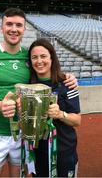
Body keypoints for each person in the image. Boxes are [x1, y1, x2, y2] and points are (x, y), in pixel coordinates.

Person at [0, 7, 78, 177]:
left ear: (24, 29)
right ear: (2, 27)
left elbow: (47, 72)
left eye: (19, 25)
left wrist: (69, 77)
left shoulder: (30, 57)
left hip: (23, 135)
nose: (14, 29)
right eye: (9, 24)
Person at [28, 38, 81, 177]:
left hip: (64, 152)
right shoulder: (27, 86)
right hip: (38, 152)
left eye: (43, 56)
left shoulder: (68, 83)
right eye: (34, 57)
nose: (39, 61)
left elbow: (77, 120)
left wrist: (60, 114)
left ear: (52, 58)